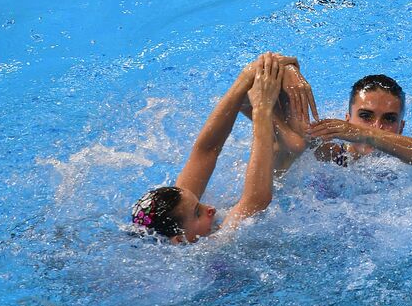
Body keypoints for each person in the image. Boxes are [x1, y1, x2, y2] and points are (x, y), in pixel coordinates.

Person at [130, 52, 317, 242]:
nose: (210, 208)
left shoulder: (179, 213)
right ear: (180, 240)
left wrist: (246, 77)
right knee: (286, 157)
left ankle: (280, 139)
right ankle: (280, 141)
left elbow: (207, 150)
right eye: (198, 212)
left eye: (199, 204)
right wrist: (262, 109)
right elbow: (257, 200)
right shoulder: (212, 247)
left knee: (289, 152)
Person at [308, 73, 412, 168]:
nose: (377, 127)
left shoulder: (402, 164)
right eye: (365, 116)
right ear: (347, 120)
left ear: (401, 128)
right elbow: (296, 133)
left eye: (389, 119)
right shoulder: (332, 154)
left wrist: (367, 134)